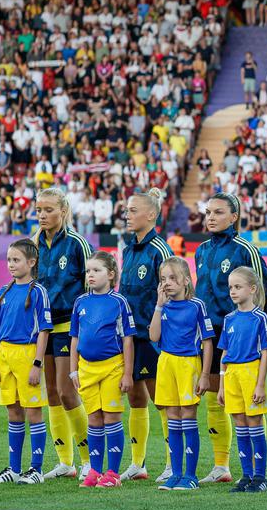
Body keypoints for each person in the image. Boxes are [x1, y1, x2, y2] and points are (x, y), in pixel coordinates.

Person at [195, 192, 267, 485]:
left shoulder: (245, 249)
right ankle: (221, 466)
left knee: (249, 408)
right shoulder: (201, 250)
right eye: (208, 212)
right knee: (220, 399)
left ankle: (257, 473)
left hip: (240, 340)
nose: (211, 217)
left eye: (218, 212)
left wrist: (249, 332)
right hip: (210, 337)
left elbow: (264, 292)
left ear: (234, 216)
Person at [35, 187, 93, 481]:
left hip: (69, 328)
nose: (43, 215)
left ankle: (88, 460)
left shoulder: (76, 244)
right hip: (44, 329)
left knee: (68, 391)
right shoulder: (35, 244)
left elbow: (92, 282)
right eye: (39, 210)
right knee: (53, 394)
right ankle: (65, 462)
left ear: (63, 211)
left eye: (48, 210)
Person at [0, 239, 52, 484]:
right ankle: (14, 469)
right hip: (5, 356)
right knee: (13, 411)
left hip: (27, 355)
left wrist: (37, 364)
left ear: (31, 262)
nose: (11, 265)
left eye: (16, 260)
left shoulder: (38, 292)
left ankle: (36, 469)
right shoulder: (3, 291)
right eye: (9, 260)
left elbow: (44, 331)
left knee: (33, 412)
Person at [119, 188, 174, 483]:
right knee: (136, 399)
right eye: (127, 210)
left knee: (161, 399)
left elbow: (174, 292)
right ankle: (137, 463)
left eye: (132, 210)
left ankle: (171, 462)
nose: (127, 215)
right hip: (130, 336)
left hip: (154, 336)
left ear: (151, 215)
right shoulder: (128, 250)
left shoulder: (160, 251)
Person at [71, 251, 136, 489]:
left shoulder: (119, 302)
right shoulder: (81, 302)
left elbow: (128, 339)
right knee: (94, 419)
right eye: (88, 271)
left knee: (111, 417)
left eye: (96, 270)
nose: (90, 275)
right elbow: (74, 339)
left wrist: (127, 373)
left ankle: (113, 472)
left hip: (112, 367)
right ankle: (95, 471)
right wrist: (73, 370)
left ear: (110, 274)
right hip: (86, 369)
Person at [149, 257, 215, 491]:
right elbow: (154, 337)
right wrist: (158, 305)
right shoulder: (162, 307)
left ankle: (190, 475)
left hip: (188, 364)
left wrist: (205, 374)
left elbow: (207, 342)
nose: (167, 283)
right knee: (172, 418)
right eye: (163, 279)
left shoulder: (196, 306)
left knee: (188, 416)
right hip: (166, 363)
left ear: (186, 281)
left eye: (172, 278)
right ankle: (175, 473)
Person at [216, 266, 267, 494]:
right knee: (240, 424)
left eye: (238, 287)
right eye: (230, 287)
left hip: (251, 373)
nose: (233, 291)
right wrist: (221, 384)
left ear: (252, 289)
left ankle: (260, 477)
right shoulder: (229, 318)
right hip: (232, 375)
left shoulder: (260, 317)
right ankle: (246, 476)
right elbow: (224, 353)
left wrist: (260, 384)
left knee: (254, 423)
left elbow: (266, 353)